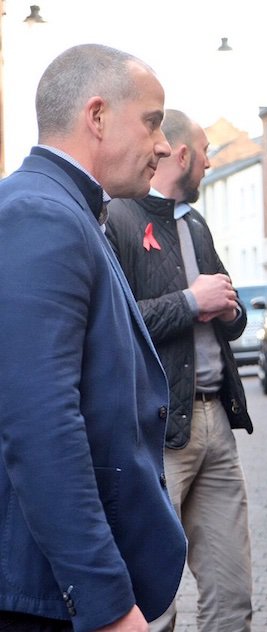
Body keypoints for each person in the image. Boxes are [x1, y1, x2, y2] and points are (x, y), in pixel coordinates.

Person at [0, 44, 186, 631]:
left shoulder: (68, 208)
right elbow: (40, 423)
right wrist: (105, 604)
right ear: (97, 116)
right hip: (42, 597)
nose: (163, 143)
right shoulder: (41, 213)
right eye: (152, 121)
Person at [105, 110, 254, 632]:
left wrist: (229, 309)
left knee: (233, 594)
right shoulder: (118, 218)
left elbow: (230, 314)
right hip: (158, 433)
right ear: (183, 155)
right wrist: (192, 301)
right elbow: (118, 322)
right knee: (154, 596)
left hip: (218, 426)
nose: (212, 161)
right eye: (207, 151)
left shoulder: (196, 224)